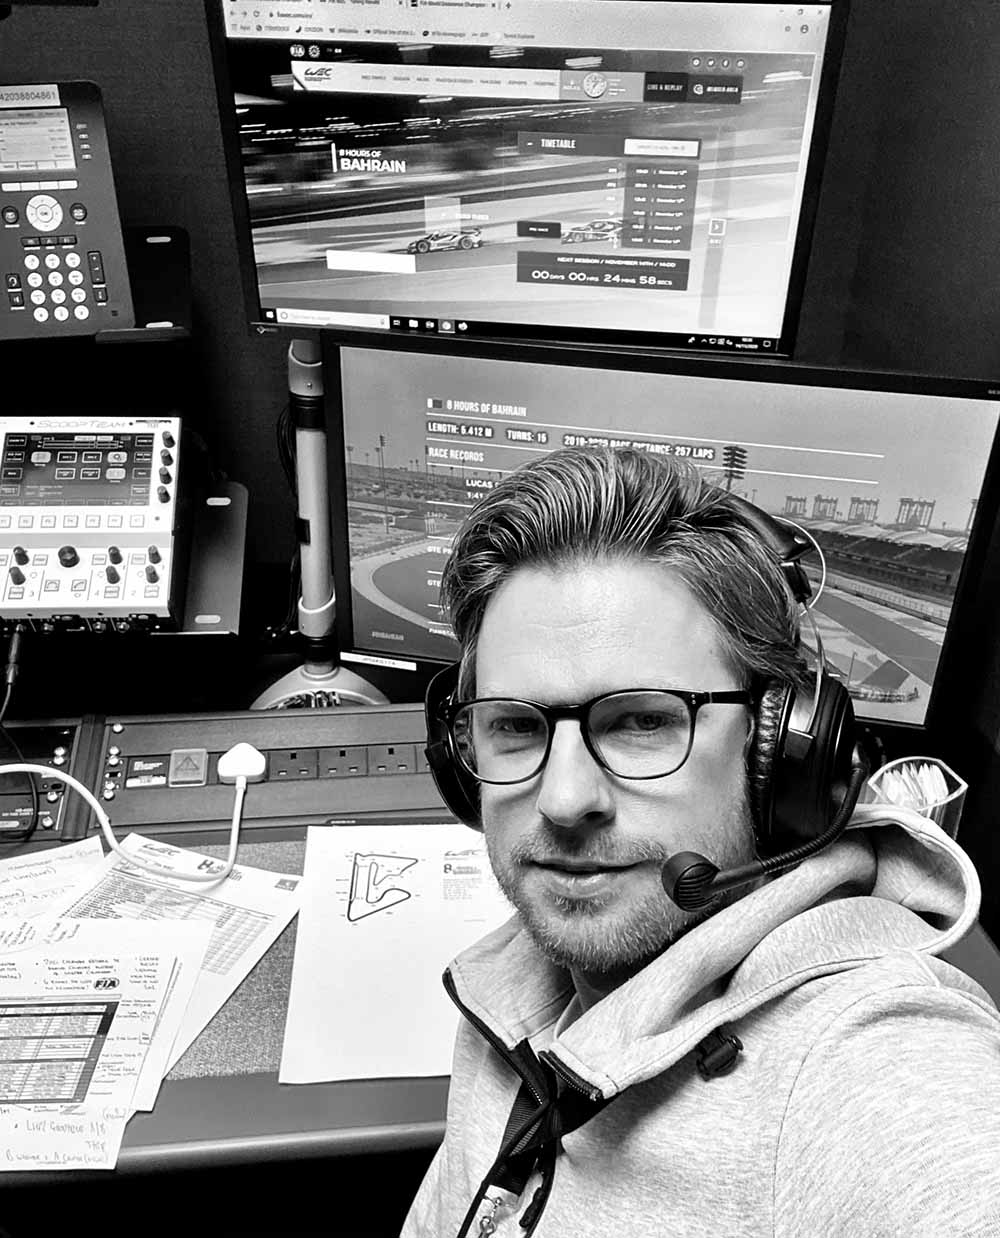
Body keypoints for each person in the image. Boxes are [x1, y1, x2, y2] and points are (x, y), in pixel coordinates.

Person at [402, 446, 1000, 1238]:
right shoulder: (516, 975)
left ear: (779, 750)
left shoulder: (870, 1062)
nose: (564, 800)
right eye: (516, 725)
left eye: (643, 721)